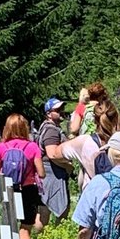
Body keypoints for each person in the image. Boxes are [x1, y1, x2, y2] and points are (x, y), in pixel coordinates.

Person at [50, 99, 120, 192]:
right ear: (118, 118)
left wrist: (68, 166)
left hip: (96, 202)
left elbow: (54, 154)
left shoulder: (83, 142)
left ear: (95, 121)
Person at [0, 114, 45, 239]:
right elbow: (41, 173)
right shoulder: (32, 147)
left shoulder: (1, 147)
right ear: (25, 128)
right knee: (25, 229)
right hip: (28, 191)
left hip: (8, 190)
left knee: (9, 226)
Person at [35, 97, 73, 229]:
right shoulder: (51, 130)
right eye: (57, 110)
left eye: (62, 109)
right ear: (48, 114)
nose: (61, 111)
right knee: (60, 210)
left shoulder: (48, 127)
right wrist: (68, 166)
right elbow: (51, 154)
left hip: (47, 173)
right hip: (52, 173)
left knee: (44, 211)